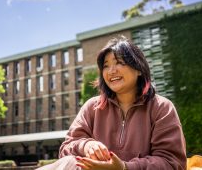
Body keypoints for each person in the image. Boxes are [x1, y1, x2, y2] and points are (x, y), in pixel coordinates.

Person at [37, 35, 186, 170]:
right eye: (106, 66)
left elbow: (172, 163)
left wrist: (124, 168)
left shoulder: (161, 108)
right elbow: (66, 149)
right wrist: (86, 145)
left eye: (119, 62)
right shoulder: (92, 107)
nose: (111, 71)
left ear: (139, 69)